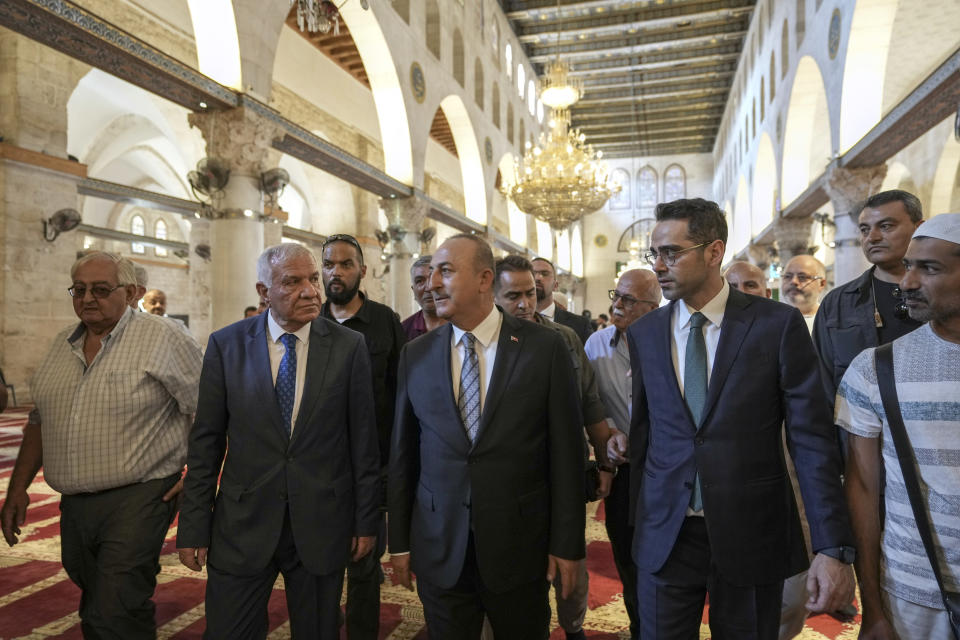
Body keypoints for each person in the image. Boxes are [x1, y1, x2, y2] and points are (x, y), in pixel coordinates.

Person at [627, 198, 855, 639]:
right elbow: (646, 435)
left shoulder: (776, 325)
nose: (659, 265)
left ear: (714, 252)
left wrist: (831, 545)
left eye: (671, 253)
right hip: (666, 534)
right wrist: (636, 525)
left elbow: (811, 440)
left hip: (751, 530)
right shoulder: (646, 332)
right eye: (654, 254)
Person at [177, 243, 380, 639]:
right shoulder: (226, 345)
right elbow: (206, 444)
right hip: (243, 523)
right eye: (292, 282)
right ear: (263, 291)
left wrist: (365, 520)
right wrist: (194, 526)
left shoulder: (348, 347)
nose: (310, 291)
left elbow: (364, 443)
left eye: (313, 279)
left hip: (321, 522)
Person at [388, 234, 585, 640]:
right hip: (440, 546)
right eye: (429, 275)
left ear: (483, 280)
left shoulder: (544, 349)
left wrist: (567, 544)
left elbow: (566, 455)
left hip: (520, 547)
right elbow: (404, 454)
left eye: (445, 272)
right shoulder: (416, 354)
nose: (432, 283)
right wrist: (401, 542)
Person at [0, 251, 202, 638]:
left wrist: (200, 474)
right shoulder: (62, 343)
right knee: (99, 602)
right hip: (75, 504)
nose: (88, 298)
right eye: (79, 289)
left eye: (101, 289)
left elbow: (208, 410)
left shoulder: (161, 336)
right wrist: (18, 489)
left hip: (141, 496)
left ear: (128, 293)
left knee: (113, 610)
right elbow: (39, 421)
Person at [837, 213, 960, 640]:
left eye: (929, 268)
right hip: (911, 592)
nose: (907, 282)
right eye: (909, 265)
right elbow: (863, 489)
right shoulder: (875, 369)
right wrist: (873, 607)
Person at [493, 254, 613, 640]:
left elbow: (590, 401)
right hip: (510, 483)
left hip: (564, 474)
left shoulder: (564, 338)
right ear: (492, 294)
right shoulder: (484, 346)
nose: (525, 304)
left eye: (531, 293)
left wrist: (606, 462)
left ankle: (573, 627)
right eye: (513, 296)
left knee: (569, 561)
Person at [319, 233, 405, 640]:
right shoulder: (310, 321)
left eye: (346, 264)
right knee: (319, 562)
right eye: (329, 265)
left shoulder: (385, 321)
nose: (336, 272)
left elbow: (399, 392)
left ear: (362, 271)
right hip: (319, 467)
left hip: (371, 466)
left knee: (365, 561)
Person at [583, 267, 661, 637]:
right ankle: (639, 626)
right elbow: (590, 402)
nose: (616, 303)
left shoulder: (670, 342)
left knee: (668, 560)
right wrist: (610, 430)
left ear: (652, 306)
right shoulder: (595, 345)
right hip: (624, 472)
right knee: (627, 557)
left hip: (665, 472)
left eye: (628, 299)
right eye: (616, 294)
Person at [813, 189, 925, 422]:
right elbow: (821, 389)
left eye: (886, 226)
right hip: (858, 443)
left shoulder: (945, 295)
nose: (872, 237)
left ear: (919, 228)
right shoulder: (837, 304)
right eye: (865, 230)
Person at [532, 257, 592, 344]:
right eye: (532, 273)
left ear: (555, 286)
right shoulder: (515, 320)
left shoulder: (580, 325)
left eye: (544, 274)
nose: (537, 278)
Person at [401, 254, 447, 340]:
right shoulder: (404, 330)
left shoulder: (462, 325)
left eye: (432, 278)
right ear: (413, 290)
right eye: (419, 281)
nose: (428, 287)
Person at [781, 255, 827, 332]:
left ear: (821, 284)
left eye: (802, 277)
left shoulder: (829, 322)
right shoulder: (769, 319)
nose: (793, 282)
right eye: (788, 276)